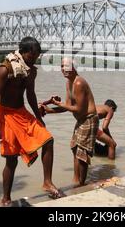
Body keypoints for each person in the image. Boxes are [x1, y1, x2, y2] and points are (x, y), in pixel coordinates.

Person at [0, 37, 63, 206]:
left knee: (48, 140)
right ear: (22, 52)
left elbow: (30, 95)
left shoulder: (31, 71)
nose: (33, 59)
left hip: (21, 112)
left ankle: (47, 183)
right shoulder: (5, 69)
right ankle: (6, 199)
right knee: (11, 159)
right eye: (31, 56)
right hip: (5, 114)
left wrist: (38, 117)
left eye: (36, 56)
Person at [41, 58, 99, 187]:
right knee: (74, 148)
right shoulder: (68, 83)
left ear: (73, 67)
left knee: (82, 153)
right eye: (61, 66)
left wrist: (58, 104)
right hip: (80, 119)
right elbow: (67, 106)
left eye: (66, 66)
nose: (63, 69)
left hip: (89, 119)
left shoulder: (78, 83)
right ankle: (75, 179)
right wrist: (50, 110)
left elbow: (79, 109)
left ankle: (81, 184)